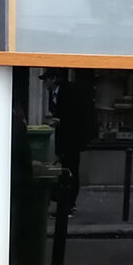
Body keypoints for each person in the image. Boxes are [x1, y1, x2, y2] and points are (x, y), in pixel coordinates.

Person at [39, 68, 85, 213]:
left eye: (46, 80)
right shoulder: (54, 93)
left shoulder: (67, 92)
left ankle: (69, 204)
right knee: (65, 170)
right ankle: (65, 203)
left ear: (53, 79)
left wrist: (59, 121)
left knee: (71, 171)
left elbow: (75, 115)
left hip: (72, 139)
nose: (45, 83)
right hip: (64, 138)